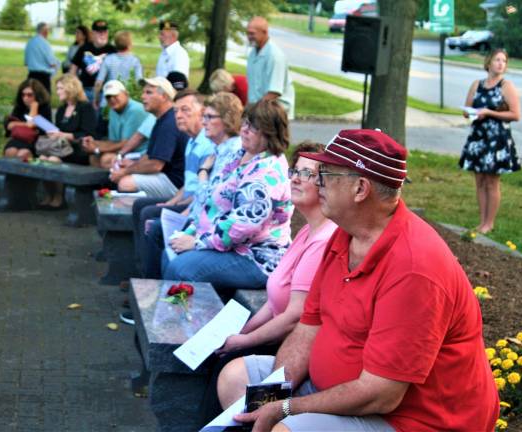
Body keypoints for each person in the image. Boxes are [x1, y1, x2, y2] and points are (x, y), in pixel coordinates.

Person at [217, 129, 499, 432]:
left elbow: (382, 394)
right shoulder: (345, 235)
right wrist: (274, 394)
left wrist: (286, 408)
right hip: (337, 391)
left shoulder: (414, 268)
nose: (316, 182)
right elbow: (309, 328)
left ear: (360, 189)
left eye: (325, 174)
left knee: (286, 430)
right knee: (236, 378)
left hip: (412, 419)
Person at [200, 141, 337, 423]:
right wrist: (241, 331)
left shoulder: (323, 241)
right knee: (216, 352)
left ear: (325, 185)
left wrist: (245, 340)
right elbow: (274, 300)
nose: (296, 178)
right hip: (282, 333)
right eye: (294, 171)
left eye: (308, 174)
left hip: (295, 345)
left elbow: (293, 317)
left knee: (226, 361)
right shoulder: (306, 233)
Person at [161, 99, 293, 297]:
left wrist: (197, 242)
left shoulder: (268, 171)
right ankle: (166, 320)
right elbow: (211, 202)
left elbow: (243, 225)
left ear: (270, 133)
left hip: (256, 257)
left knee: (181, 269)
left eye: (254, 127)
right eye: (245, 123)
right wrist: (189, 231)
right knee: (170, 252)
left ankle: (175, 324)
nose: (245, 130)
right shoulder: (240, 155)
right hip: (230, 246)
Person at [139, 91, 244, 280]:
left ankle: (151, 295)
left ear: (228, 120)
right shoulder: (217, 148)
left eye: (209, 117)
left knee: (160, 233)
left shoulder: (232, 152)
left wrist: (188, 225)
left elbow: (211, 202)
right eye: (204, 116)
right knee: (154, 222)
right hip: (205, 221)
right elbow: (201, 197)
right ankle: (147, 291)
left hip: (215, 229)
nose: (204, 121)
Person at [459, 48, 521, 234]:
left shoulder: (506, 86)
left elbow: (516, 114)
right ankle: (481, 221)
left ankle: (489, 223)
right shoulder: (477, 84)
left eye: (504, 61)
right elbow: (466, 110)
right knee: (480, 180)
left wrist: (489, 112)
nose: (501, 63)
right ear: (488, 63)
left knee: (492, 182)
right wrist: (473, 114)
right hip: (479, 137)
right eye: (497, 60)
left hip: (497, 139)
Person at [109, 77, 188, 199]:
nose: (142, 97)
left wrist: (125, 171)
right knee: (123, 170)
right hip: (165, 174)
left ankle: (131, 215)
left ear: (164, 97)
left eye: (149, 93)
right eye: (143, 92)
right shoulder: (162, 119)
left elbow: (156, 165)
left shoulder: (169, 122)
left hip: (175, 183)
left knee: (126, 183)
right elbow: (150, 156)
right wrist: (131, 164)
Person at [39, 74, 97, 208]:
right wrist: (54, 133)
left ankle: (60, 197)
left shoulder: (85, 108)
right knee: (43, 157)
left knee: (53, 160)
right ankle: (49, 194)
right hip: (61, 147)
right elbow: (59, 130)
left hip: (79, 150)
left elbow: (88, 134)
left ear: (70, 89)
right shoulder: (61, 109)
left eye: (60, 88)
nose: (57, 92)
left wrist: (64, 135)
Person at [81, 80, 150, 168]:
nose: (112, 99)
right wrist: (94, 143)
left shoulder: (136, 110)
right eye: (108, 97)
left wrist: (97, 149)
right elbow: (113, 142)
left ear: (126, 94)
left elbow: (126, 144)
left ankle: (117, 179)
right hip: (126, 151)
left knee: (106, 159)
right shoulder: (113, 110)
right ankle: (106, 181)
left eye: (115, 95)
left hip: (141, 153)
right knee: (93, 157)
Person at [246, 17, 295, 119]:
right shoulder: (252, 54)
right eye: (248, 33)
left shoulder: (274, 56)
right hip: (260, 109)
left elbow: (274, 92)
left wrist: (254, 111)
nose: (249, 37)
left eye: (252, 33)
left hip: (275, 112)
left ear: (265, 32)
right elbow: (253, 89)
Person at [70, 19, 116, 104]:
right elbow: (73, 69)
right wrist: (75, 88)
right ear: (93, 33)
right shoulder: (84, 48)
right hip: (85, 90)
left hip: (105, 92)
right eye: (99, 32)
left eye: (105, 32)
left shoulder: (113, 50)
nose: (102, 34)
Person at [3, 78, 52, 160]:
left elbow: (46, 129)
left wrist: (34, 107)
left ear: (37, 95)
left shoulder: (44, 108)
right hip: (19, 138)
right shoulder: (20, 107)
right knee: (11, 151)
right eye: (23, 95)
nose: (25, 98)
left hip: (36, 141)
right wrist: (27, 124)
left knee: (23, 154)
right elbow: (9, 125)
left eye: (30, 95)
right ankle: (9, 172)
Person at [93, 30, 143, 108]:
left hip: (108, 102)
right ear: (129, 44)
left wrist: (95, 99)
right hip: (127, 103)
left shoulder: (108, 59)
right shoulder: (135, 61)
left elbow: (99, 82)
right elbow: (139, 82)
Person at [24, 22, 59, 93]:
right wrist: (57, 65)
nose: (48, 32)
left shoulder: (30, 42)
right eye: (48, 30)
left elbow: (26, 62)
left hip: (31, 75)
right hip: (43, 77)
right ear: (45, 31)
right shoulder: (45, 43)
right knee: (44, 99)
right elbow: (52, 62)